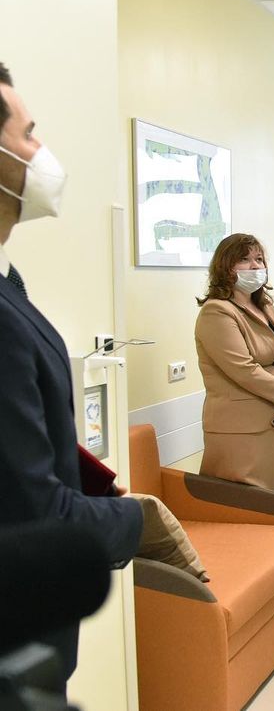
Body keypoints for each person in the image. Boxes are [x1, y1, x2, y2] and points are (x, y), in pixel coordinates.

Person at [0, 61, 143, 682]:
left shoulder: (9, 285)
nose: (41, 150)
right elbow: (34, 508)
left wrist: (85, 478)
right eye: (28, 133)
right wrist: (141, 519)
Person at [195, 234, 274, 493]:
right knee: (241, 502)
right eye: (244, 260)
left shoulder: (264, 305)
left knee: (268, 500)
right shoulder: (217, 311)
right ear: (225, 267)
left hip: (267, 419)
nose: (255, 266)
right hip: (237, 428)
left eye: (259, 259)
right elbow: (243, 369)